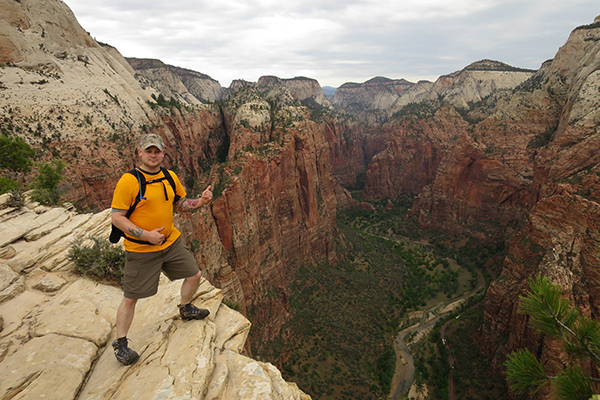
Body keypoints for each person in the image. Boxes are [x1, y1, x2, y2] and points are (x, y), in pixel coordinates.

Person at [110, 133, 213, 366]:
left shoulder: (169, 176)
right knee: (130, 298)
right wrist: (146, 235)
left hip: (170, 242)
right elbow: (117, 217)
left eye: (157, 151)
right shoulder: (129, 181)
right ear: (140, 153)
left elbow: (181, 204)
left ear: (163, 153)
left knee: (194, 275)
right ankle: (121, 344)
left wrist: (201, 202)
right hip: (140, 249)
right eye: (149, 151)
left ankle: (185, 308)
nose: (153, 155)